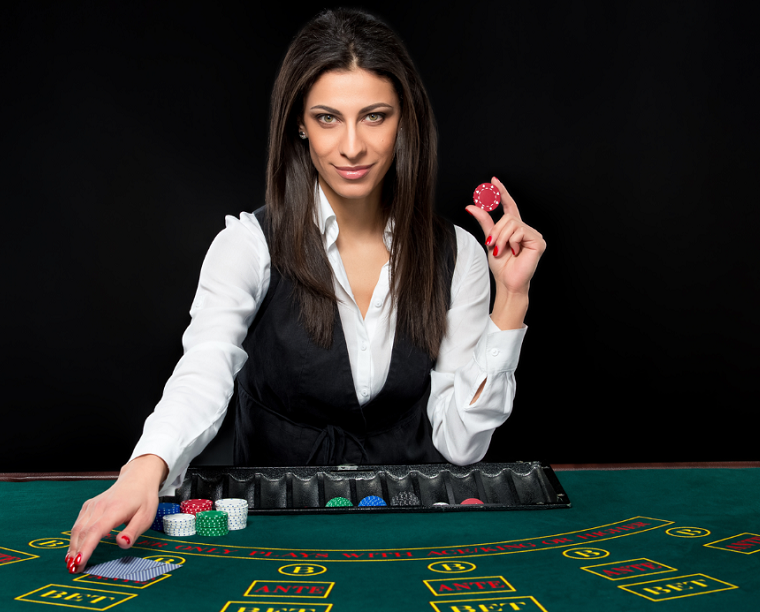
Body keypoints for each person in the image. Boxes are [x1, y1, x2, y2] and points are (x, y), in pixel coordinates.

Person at [65, 8, 545, 574]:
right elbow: (206, 366)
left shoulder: (458, 253)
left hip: (411, 538)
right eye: (327, 118)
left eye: (374, 117)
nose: (351, 146)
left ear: (404, 121)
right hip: (272, 537)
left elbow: (462, 447)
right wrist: (145, 468)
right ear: (299, 123)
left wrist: (510, 300)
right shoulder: (247, 245)